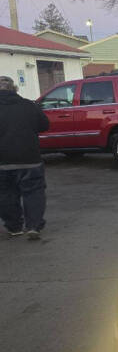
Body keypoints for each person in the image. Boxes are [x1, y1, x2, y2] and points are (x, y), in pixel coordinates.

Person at [0, 75, 50, 240]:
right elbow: (45, 125)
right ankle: (33, 226)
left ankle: (14, 227)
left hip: (3, 161)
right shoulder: (29, 105)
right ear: (15, 88)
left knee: (5, 194)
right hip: (30, 158)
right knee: (33, 193)